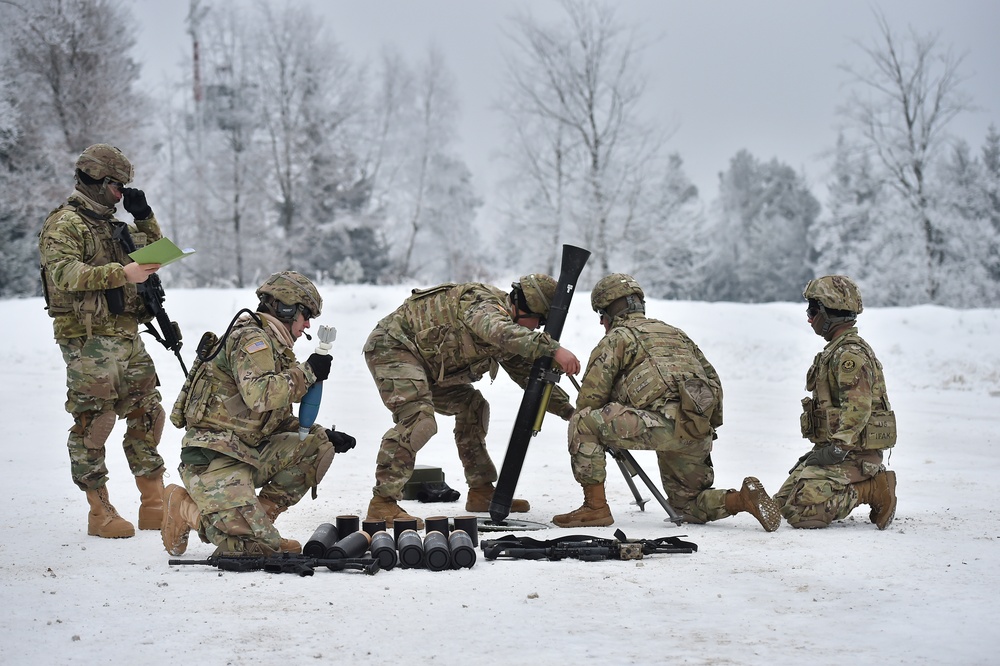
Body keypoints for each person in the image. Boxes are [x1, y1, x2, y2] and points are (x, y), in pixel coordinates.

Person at [553, 273, 780, 531]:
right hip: (696, 428)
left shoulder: (618, 338)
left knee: (583, 423)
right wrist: (703, 427)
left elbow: (589, 401)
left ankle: (595, 508)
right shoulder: (676, 334)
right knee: (688, 506)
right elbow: (713, 381)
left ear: (609, 312)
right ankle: (741, 499)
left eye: (602, 317)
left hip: (662, 425)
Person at [161, 271, 357, 556]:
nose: (308, 324)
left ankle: (259, 524)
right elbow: (260, 395)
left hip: (249, 451)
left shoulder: (275, 348)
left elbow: (271, 419)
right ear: (287, 308)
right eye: (306, 315)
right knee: (247, 549)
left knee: (316, 446)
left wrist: (322, 434)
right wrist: (308, 372)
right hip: (216, 456)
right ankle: (183, 506)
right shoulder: (251, 339)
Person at [363, 275, 582, 527]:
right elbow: (499, 331)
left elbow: (527, 375)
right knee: (418, 418)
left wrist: (569, 411)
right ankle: (382, 503)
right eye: (540, 321)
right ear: (528, 307)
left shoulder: (510, 327)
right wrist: (553, 348)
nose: (537, 328)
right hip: (393, 347)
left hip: (428, 368)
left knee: (472, 406)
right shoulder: (483, 304)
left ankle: (481, 491)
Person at [38, 143, 167, 539]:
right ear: (97, 180)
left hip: (127, 333)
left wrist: (143, 218)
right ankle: (100, 509)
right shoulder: (65, 224)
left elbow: (152, 254)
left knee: (148, 413)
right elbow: (65, 274)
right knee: (95, 421)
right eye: (117, 186)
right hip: (88, 339)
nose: (121, 194)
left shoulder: (115, 226)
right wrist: (121, 274)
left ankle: (154, 502)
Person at [773, 275, 897, 529]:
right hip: (837, 451)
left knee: (802, 512)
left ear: (831, 313)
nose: (809, 317)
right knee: (782, 503)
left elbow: (858, 408)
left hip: (854, 454)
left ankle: (874, 488)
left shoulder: (849, 354)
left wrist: (837, 449)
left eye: (813, 310)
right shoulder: (835, 351)